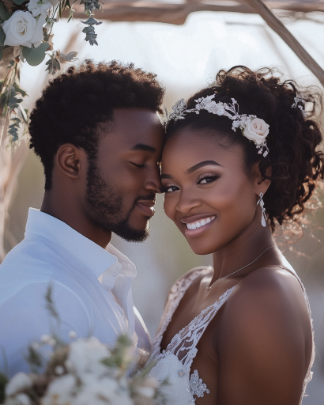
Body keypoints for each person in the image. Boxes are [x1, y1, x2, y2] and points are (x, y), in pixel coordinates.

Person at [149, 66, 323, 405]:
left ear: (261, 175)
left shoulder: (265, 297)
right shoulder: (188, 287)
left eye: (205, 179)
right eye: (170, 187)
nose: (182, 205)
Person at [0, 60, 165, 377]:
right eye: (138, 162)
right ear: (72, 162)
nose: (156, 182)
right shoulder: (39, 297)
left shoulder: (102, 276)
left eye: (157, 164)